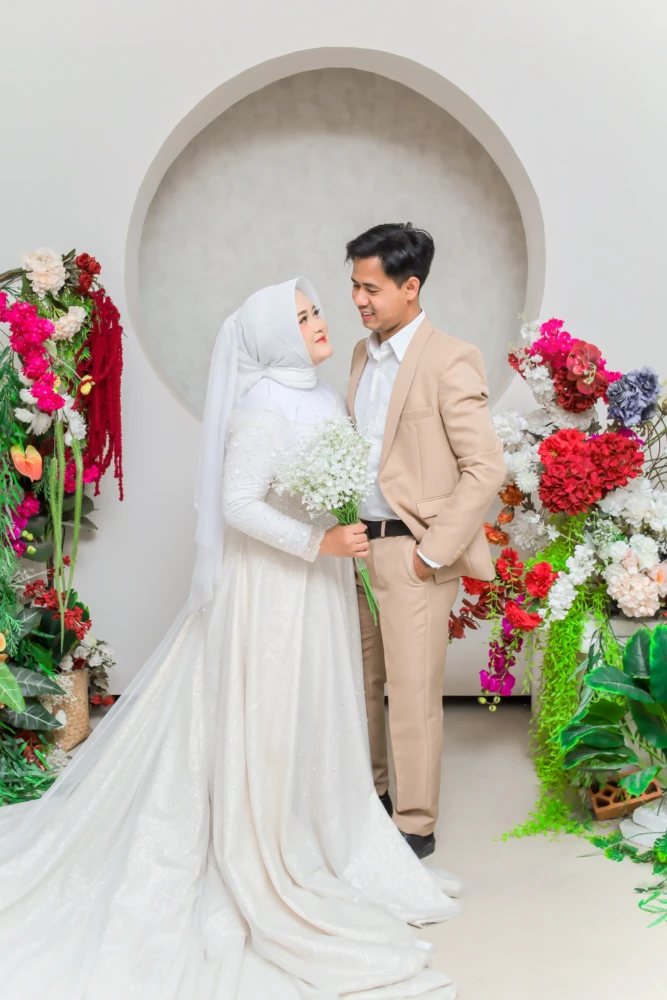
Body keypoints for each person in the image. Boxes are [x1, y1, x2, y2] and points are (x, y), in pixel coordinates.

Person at [0, 277, 461, 999]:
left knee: (315, 706)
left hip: (319, 585)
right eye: (302, 317)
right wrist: (317, 543)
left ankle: (322, 827)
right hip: (272, 587)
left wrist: (337, 537)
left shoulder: (321, 397)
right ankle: (264, 837)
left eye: (316, 311)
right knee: (266, 709)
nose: (319, 322)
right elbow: (237, 504)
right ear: (274, 336)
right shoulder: (259, 408)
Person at [347, 224, 505, 860]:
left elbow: (485, 467)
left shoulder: (450, 358)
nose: (358, 300)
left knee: (411, 695)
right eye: (354, 286)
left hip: (411, 551)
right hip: (356, 547)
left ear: (410, 287)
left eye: (371, 288)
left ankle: (415, 825)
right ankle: (373, 799)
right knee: (360, 685)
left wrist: (429, 554)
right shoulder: (360, 356)